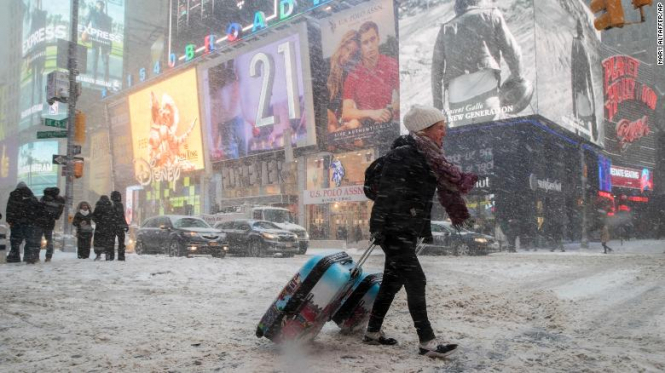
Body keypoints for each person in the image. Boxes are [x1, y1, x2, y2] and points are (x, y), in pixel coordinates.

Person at [364, 105, 477, 358]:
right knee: (416, 279)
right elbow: (388, 193)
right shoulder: (404, 154)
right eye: (440, 127)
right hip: (394, 229)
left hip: (405, 228)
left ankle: (372, 332)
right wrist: (379, 227)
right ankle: (426, 341)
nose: (444, 132)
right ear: (424, 129)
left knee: (392, 281)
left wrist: (420, 228)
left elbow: (420, 200)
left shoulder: (428, 156)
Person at [431, 0, 525, 124]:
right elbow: (513, 52)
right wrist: (518, 79)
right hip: (486, 95)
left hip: (457, 102)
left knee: (466, 140)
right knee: (492, 138)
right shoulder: (492, 15)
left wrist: (439, 108)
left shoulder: (446, 29)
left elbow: (436, 72)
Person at [342, 21, 399, 127]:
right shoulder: (353, 75)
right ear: (360, 46)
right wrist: (372, 114)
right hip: (365, 129)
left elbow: (403, 96)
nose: (370, 46)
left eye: (372, 39)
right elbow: (346, 112)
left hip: (389, 124)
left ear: (378, 39)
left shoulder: (391, 64)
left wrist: (388, 111)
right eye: (365, 42)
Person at [327, 30, 360, 132]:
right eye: (347, 49)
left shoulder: (349, 74)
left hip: (339, 123)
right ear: (342, 45)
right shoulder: (325, 66)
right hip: (327, 123)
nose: (347, 56)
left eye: (352, 54)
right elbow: (323, 107)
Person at [571, 19, 597, 141]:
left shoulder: (583, 42)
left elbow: (587, 66)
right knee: (583, 112)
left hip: (586, 84)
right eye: (579, 27)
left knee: (588, 110)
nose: (580, 29)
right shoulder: (576, 42)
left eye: (581, 27)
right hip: (581, 85)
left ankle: (589, 135)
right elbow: (574, 64)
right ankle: (584, 136)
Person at [5, 182, 42, 264]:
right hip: (29, 223)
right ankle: (29, 257)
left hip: (16, 223)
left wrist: (10, 220)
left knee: (15, 240)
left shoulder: (14, 196)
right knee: (29, 240)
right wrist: (34, 220)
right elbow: (38, 210)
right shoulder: (32, 197)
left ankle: (14, 256)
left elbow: (10, 209)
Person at [84, 0, 113, 83]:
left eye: (101, 4)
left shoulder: (107, 18)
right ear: (96, 5)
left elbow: (109, 33)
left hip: (104, 41)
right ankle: (94, 79)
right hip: (95, 39)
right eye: (99, 4)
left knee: (105, 61)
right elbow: (86, 22)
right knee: (94, 60)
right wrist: (85, 33)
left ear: (103, 6)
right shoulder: (93, 13)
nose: (100, 5)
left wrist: (110, 47)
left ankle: (106, 81)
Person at [34, 187, 65, 262]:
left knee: (37, 240)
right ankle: (48, 256)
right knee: (49, 240)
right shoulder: (58, 201)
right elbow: (57, 215)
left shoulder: (43, 199)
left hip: (39, 222)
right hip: (50, 223)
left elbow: (38, 210)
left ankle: (36, 256)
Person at [92, 195, 116, 261]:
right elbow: (113, 216)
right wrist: (110, 222)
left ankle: (98, 255)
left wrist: (98, 222)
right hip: (108, 228)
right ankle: (107, 254)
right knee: (107, 241)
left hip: (99, 228)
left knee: (98, 242)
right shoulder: (110, 207)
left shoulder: (98, 206)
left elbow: (93, 216)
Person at [110, 191, 129, 261]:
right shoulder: (120, 205)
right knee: (121, 242)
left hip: (113, 226)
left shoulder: (111, 204)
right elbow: (122, 216)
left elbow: (120, 216)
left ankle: (111, 256)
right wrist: (125, 225)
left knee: (111, 242)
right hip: (120, 226)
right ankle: (121, 256)